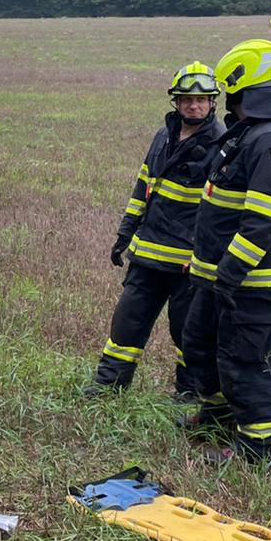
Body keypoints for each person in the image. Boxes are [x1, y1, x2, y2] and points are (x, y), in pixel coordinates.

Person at [181, 39, 271, 464]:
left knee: (246, 362)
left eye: (229, 93)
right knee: (201, 346)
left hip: (248, 284)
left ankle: (260, 448)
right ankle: (218, 418)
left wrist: (229, 273)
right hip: (220, 278)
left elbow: (264, 221)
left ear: (245, 90)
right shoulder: (251, 134)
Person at [86, 63, 227, 399]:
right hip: (148, 253)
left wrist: (205, 257)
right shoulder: (162, 136)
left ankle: (189, 394)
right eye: (187, 99)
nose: (194, 106)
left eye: (202, 100)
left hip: (186, 263)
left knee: (187, 332)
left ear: (212, 102)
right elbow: (144, 186)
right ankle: (108, 385)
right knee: (127, 322)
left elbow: (218, 210)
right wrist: (125, 233)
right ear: (175, 102)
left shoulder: (220, 144)